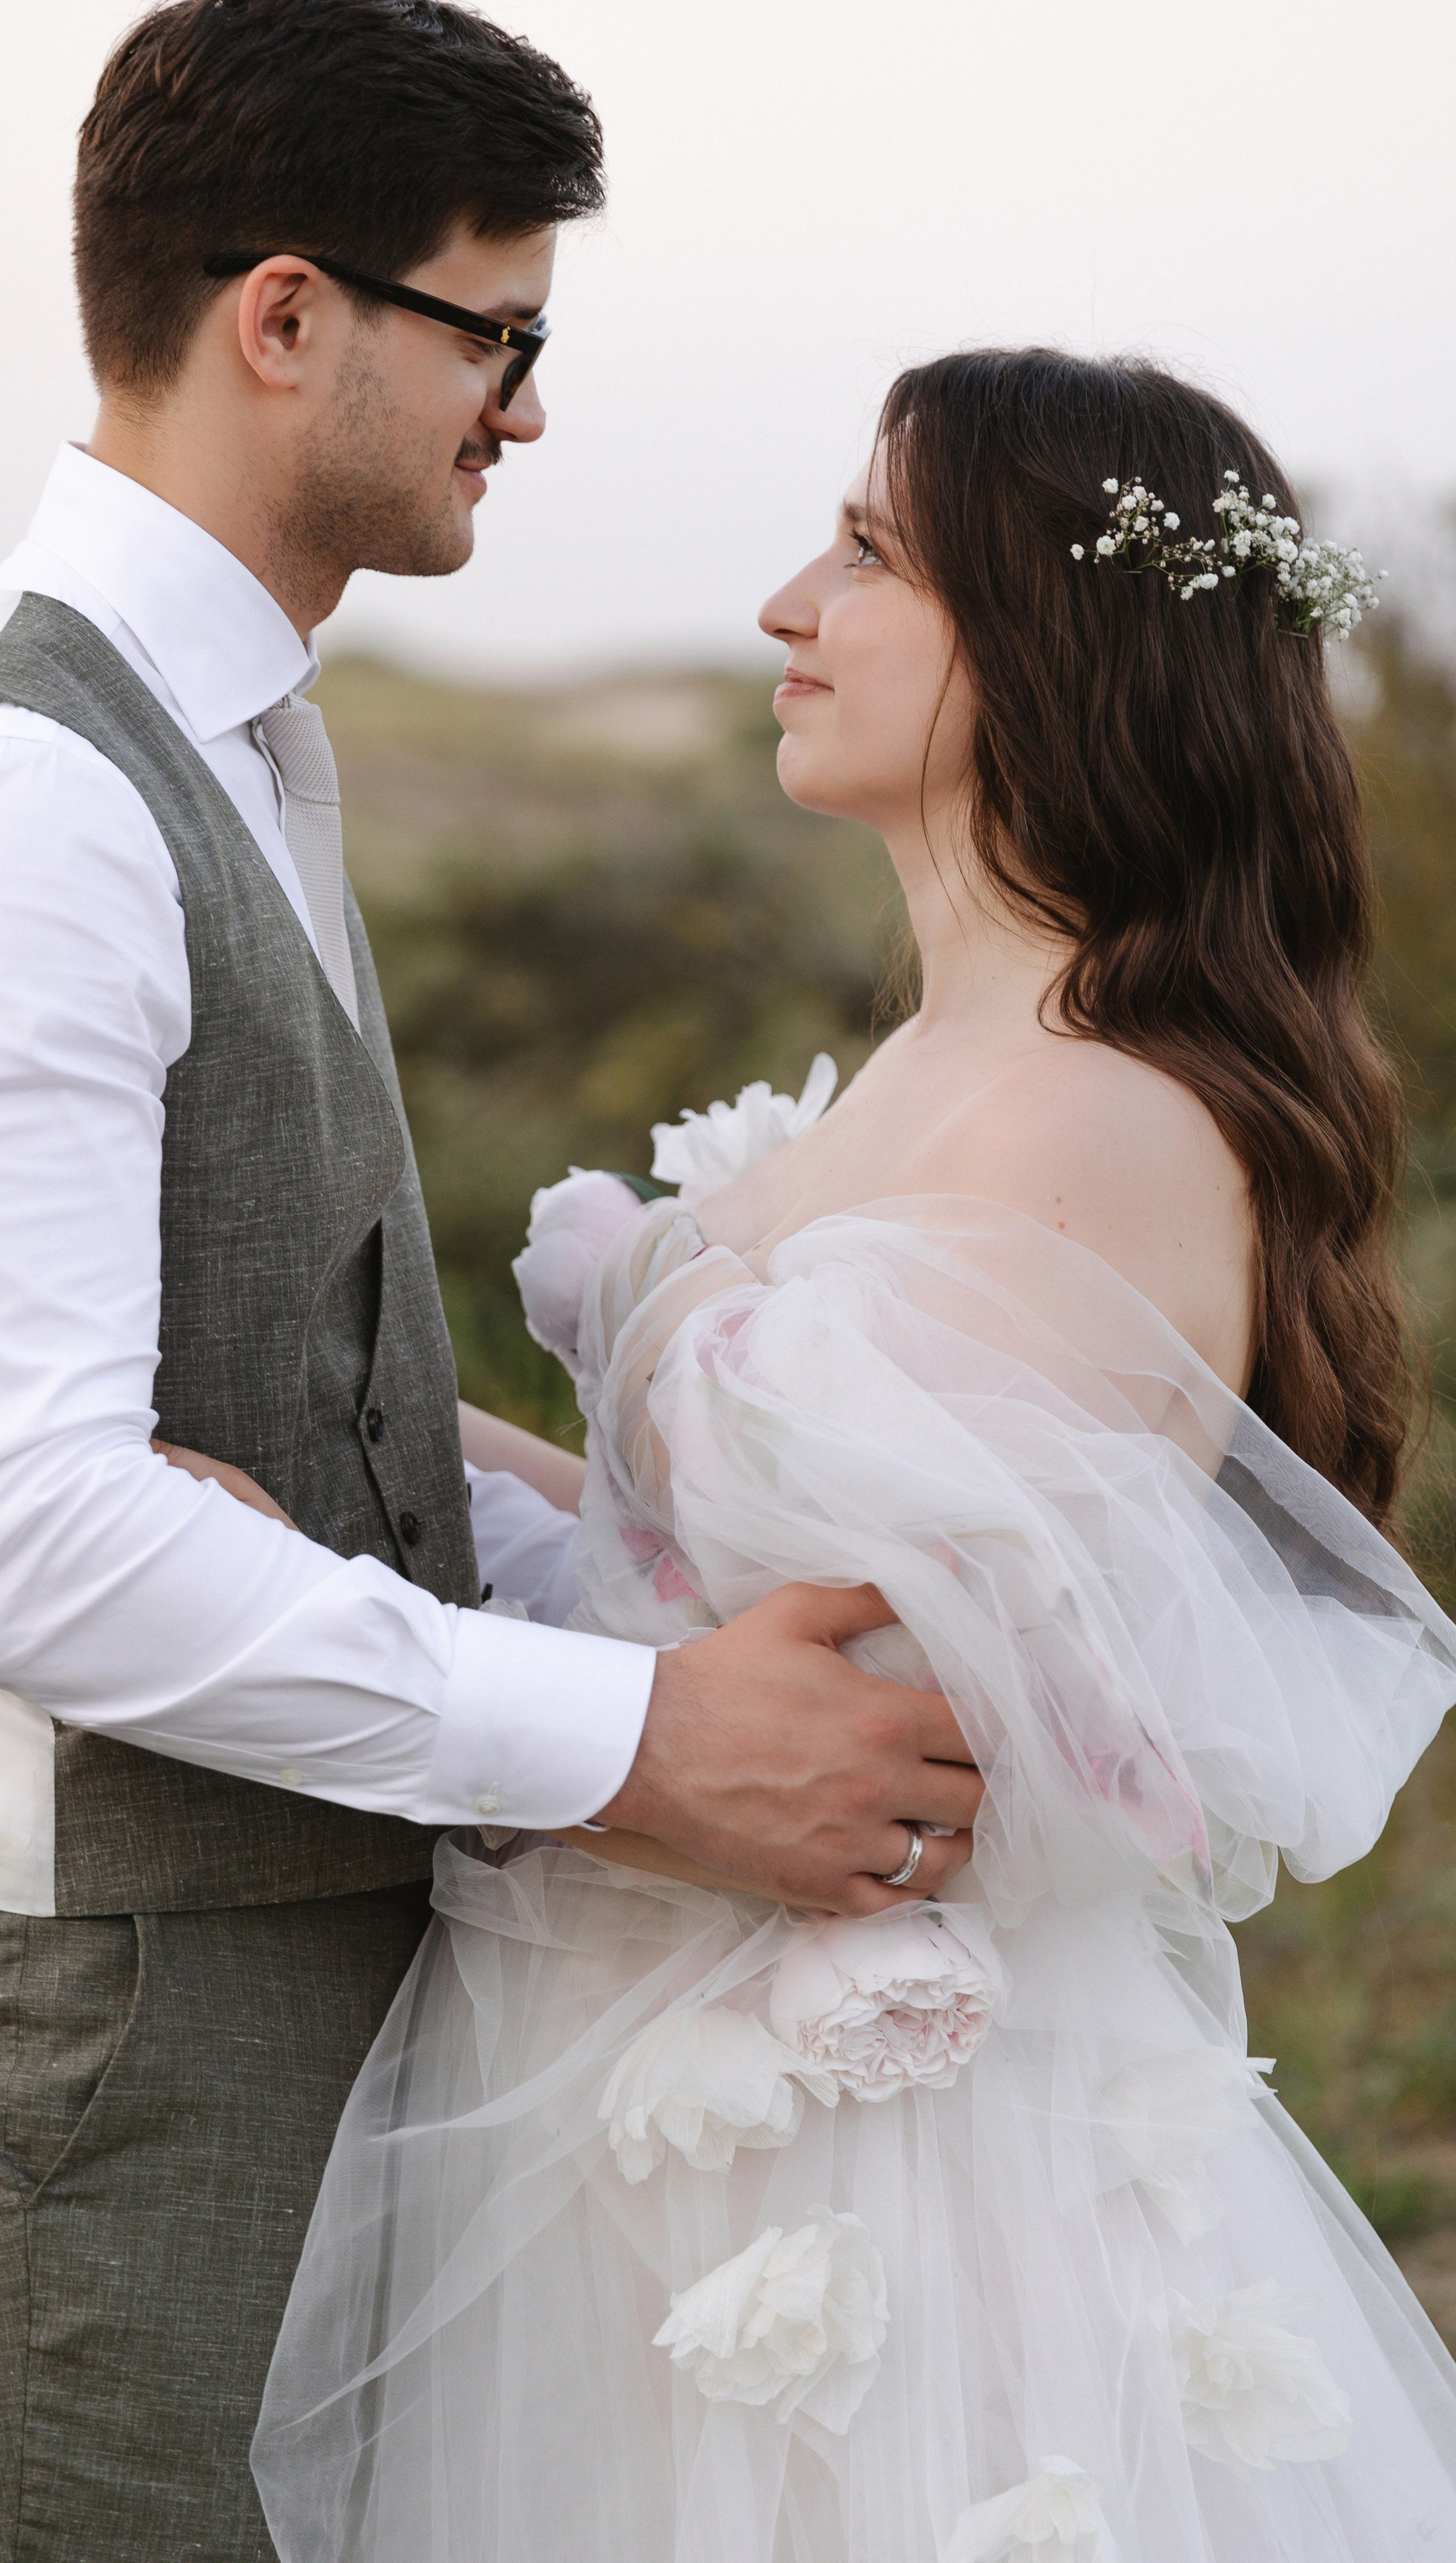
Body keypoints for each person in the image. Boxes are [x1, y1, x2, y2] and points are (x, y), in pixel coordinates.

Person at [0, 7, 981, 2555]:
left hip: (248, 1952)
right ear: (285, 318)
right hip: (75, 2024)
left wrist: (666, 1616)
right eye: (495, 331)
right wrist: (637, 1746)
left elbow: (271, 1387)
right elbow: (25, 1533)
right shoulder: (10, 794)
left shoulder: (223, 741)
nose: (525, 408)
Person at [252, 351, 1456, 2562]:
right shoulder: (949, 1057)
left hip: (878, 2136)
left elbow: (880, 1702)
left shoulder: (1090, 1110)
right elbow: (686, 1571)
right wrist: (289, 1448)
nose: (791, 602)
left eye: (874, 552)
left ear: (1058, 643)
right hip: (665, 2051)